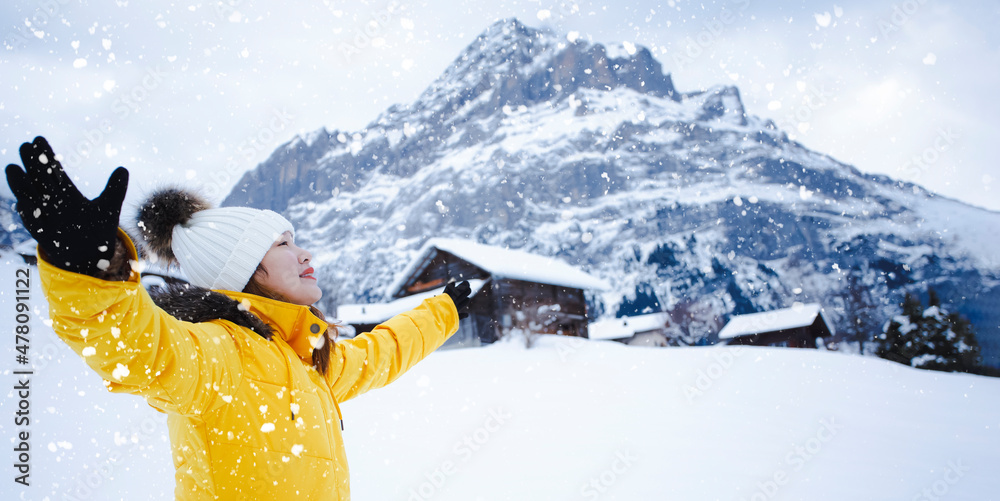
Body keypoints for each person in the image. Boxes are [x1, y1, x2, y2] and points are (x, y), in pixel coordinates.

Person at [5, 136, 472, 500]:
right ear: (243, 269)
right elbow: (135, 345)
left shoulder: (311, 359)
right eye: (284, 244)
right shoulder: (216, 353)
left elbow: (382, 351)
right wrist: (92, 271)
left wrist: (444, 310)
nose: (305, 253)